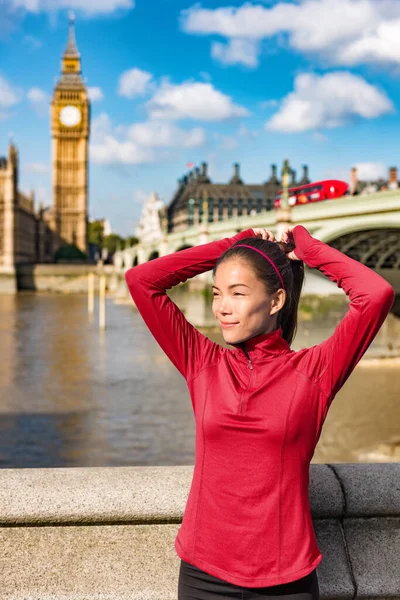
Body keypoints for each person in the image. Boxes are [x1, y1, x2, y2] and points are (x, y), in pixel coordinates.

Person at [124, 225, 395, 600]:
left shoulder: (314, 373)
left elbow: (376, 294)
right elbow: (142, 280)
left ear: (276, 300)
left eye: (238, 293)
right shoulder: (203, 363)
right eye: (218, 293)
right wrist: (234, 244)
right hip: (203, 573)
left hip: (286, 581)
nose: (222, 307)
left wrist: (309, 248)